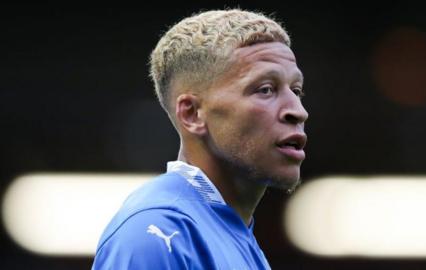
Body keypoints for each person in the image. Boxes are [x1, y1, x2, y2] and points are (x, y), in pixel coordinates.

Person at [91, 8, 308, 269]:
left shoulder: (235, 238)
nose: (297, 110)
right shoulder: (157, 234)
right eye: (265, 90)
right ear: (192, 114)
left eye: (296, 91)